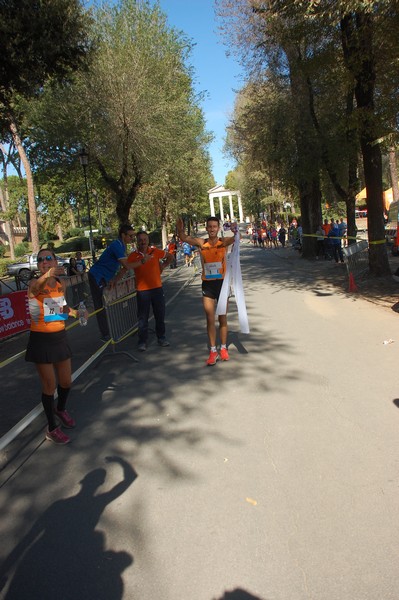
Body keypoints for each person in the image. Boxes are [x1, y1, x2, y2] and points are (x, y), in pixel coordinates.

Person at [25, 248, 84, 444]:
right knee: (49, 386)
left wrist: (77, 313)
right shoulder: (35, 283)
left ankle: (60, 409)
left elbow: (59, 307)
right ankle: (51, 428)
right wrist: (47, 275)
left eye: (48, 258)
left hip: (60, 337)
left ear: (55, 261)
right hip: (41, 340)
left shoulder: (61, 283)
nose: (44, 262)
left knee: (66, 382)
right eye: (41, 260)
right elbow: (34, 291)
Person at [176, 215, 236, 365]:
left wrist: (235, 230)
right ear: (207, 228)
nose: (212, 229)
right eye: (209, 227)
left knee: (222, 318)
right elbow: (184, 237)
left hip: (222, 284)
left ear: (218, 228)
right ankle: (213, 351)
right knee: (210, 319)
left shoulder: (224, 243)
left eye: (214, 226)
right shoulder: (201, 243)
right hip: (208, 285)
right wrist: (179, 228)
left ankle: (223, 348)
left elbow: (236, 237)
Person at [88, 224, 137, 341]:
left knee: (107, 304)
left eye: (133, 236)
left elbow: (124, 268)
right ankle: (105, 334)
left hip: (105, 277)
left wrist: (115, 279)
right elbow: (127, 265)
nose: (132, 238)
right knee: (100, 305)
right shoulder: (117, 245)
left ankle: (111, 330)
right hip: (96, 276)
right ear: (123, 235)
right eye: (130, 236)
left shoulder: (122, 246)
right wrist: (143, 261)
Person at [126, 231, 173, 351]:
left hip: (157, 288)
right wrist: (114, 281)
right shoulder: (133, 256)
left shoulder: (155, 252)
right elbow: (126, 267)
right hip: (142, 291)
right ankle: (142, 341)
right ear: (137, 241)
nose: (143, 242)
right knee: (142, 318)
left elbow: (170, 256)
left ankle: (161, 338)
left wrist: (163, 266)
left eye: (145, 239)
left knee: (160, 314)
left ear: (148, 240)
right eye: (140, 240)